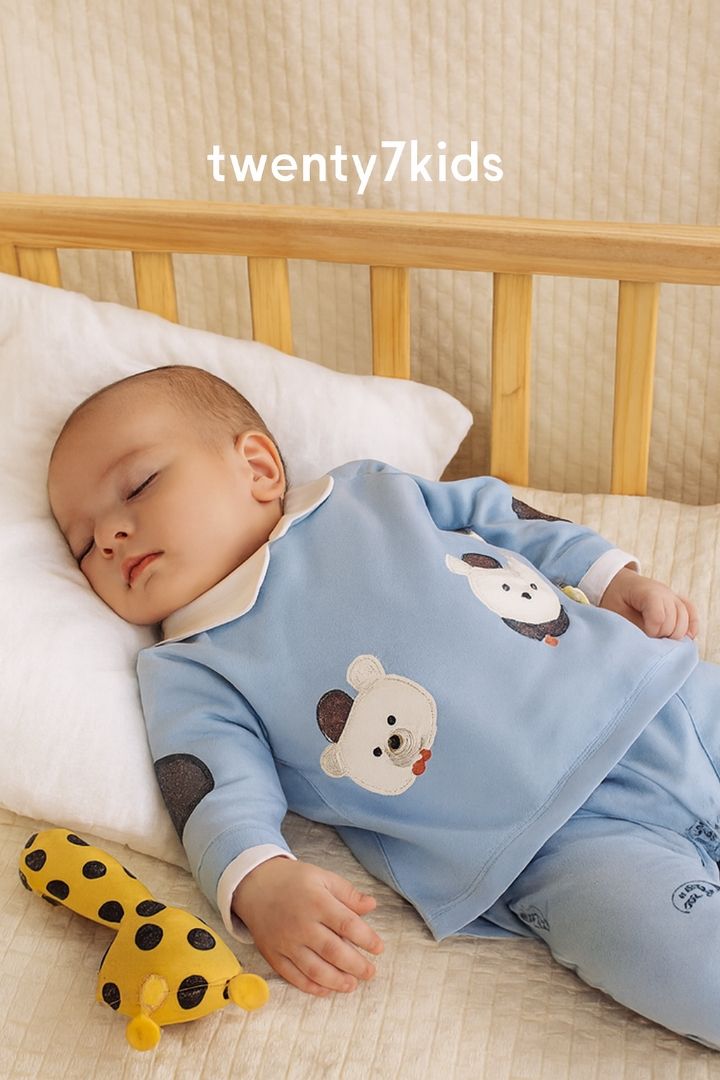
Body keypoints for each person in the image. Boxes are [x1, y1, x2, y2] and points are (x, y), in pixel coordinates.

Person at [48, 365, 720, 1051]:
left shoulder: (363, 493)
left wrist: (607, 576)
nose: (109, 536)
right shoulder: (189, 666)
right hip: (547, 848)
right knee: (684, 964)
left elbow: (497, 515)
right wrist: (258, 879)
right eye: (82, 544)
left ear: (257, 467)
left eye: (138, 486)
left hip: (662, 702)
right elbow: (208, 784)